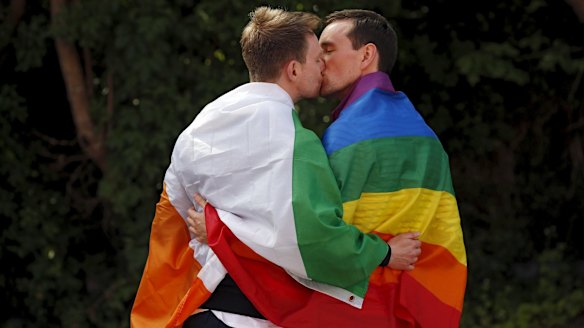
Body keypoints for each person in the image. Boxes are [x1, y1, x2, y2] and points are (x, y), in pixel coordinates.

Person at [130, 7, 421, 328]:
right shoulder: (294, 141)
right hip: (250, 318)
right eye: (316, 59)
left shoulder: (200, 126)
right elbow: (315, 236)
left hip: (200, 311)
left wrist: (216, 226)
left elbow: (171, 218)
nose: (322, 66)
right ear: (293, 70)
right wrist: (384, 254)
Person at [189, 9, 467, 327]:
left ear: (366, 55)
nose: (320, 61)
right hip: (410, 302)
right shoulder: (420, 131)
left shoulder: (353, 132)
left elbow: (306, 237)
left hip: (361, 305)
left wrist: (217, 227)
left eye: (329, 50)